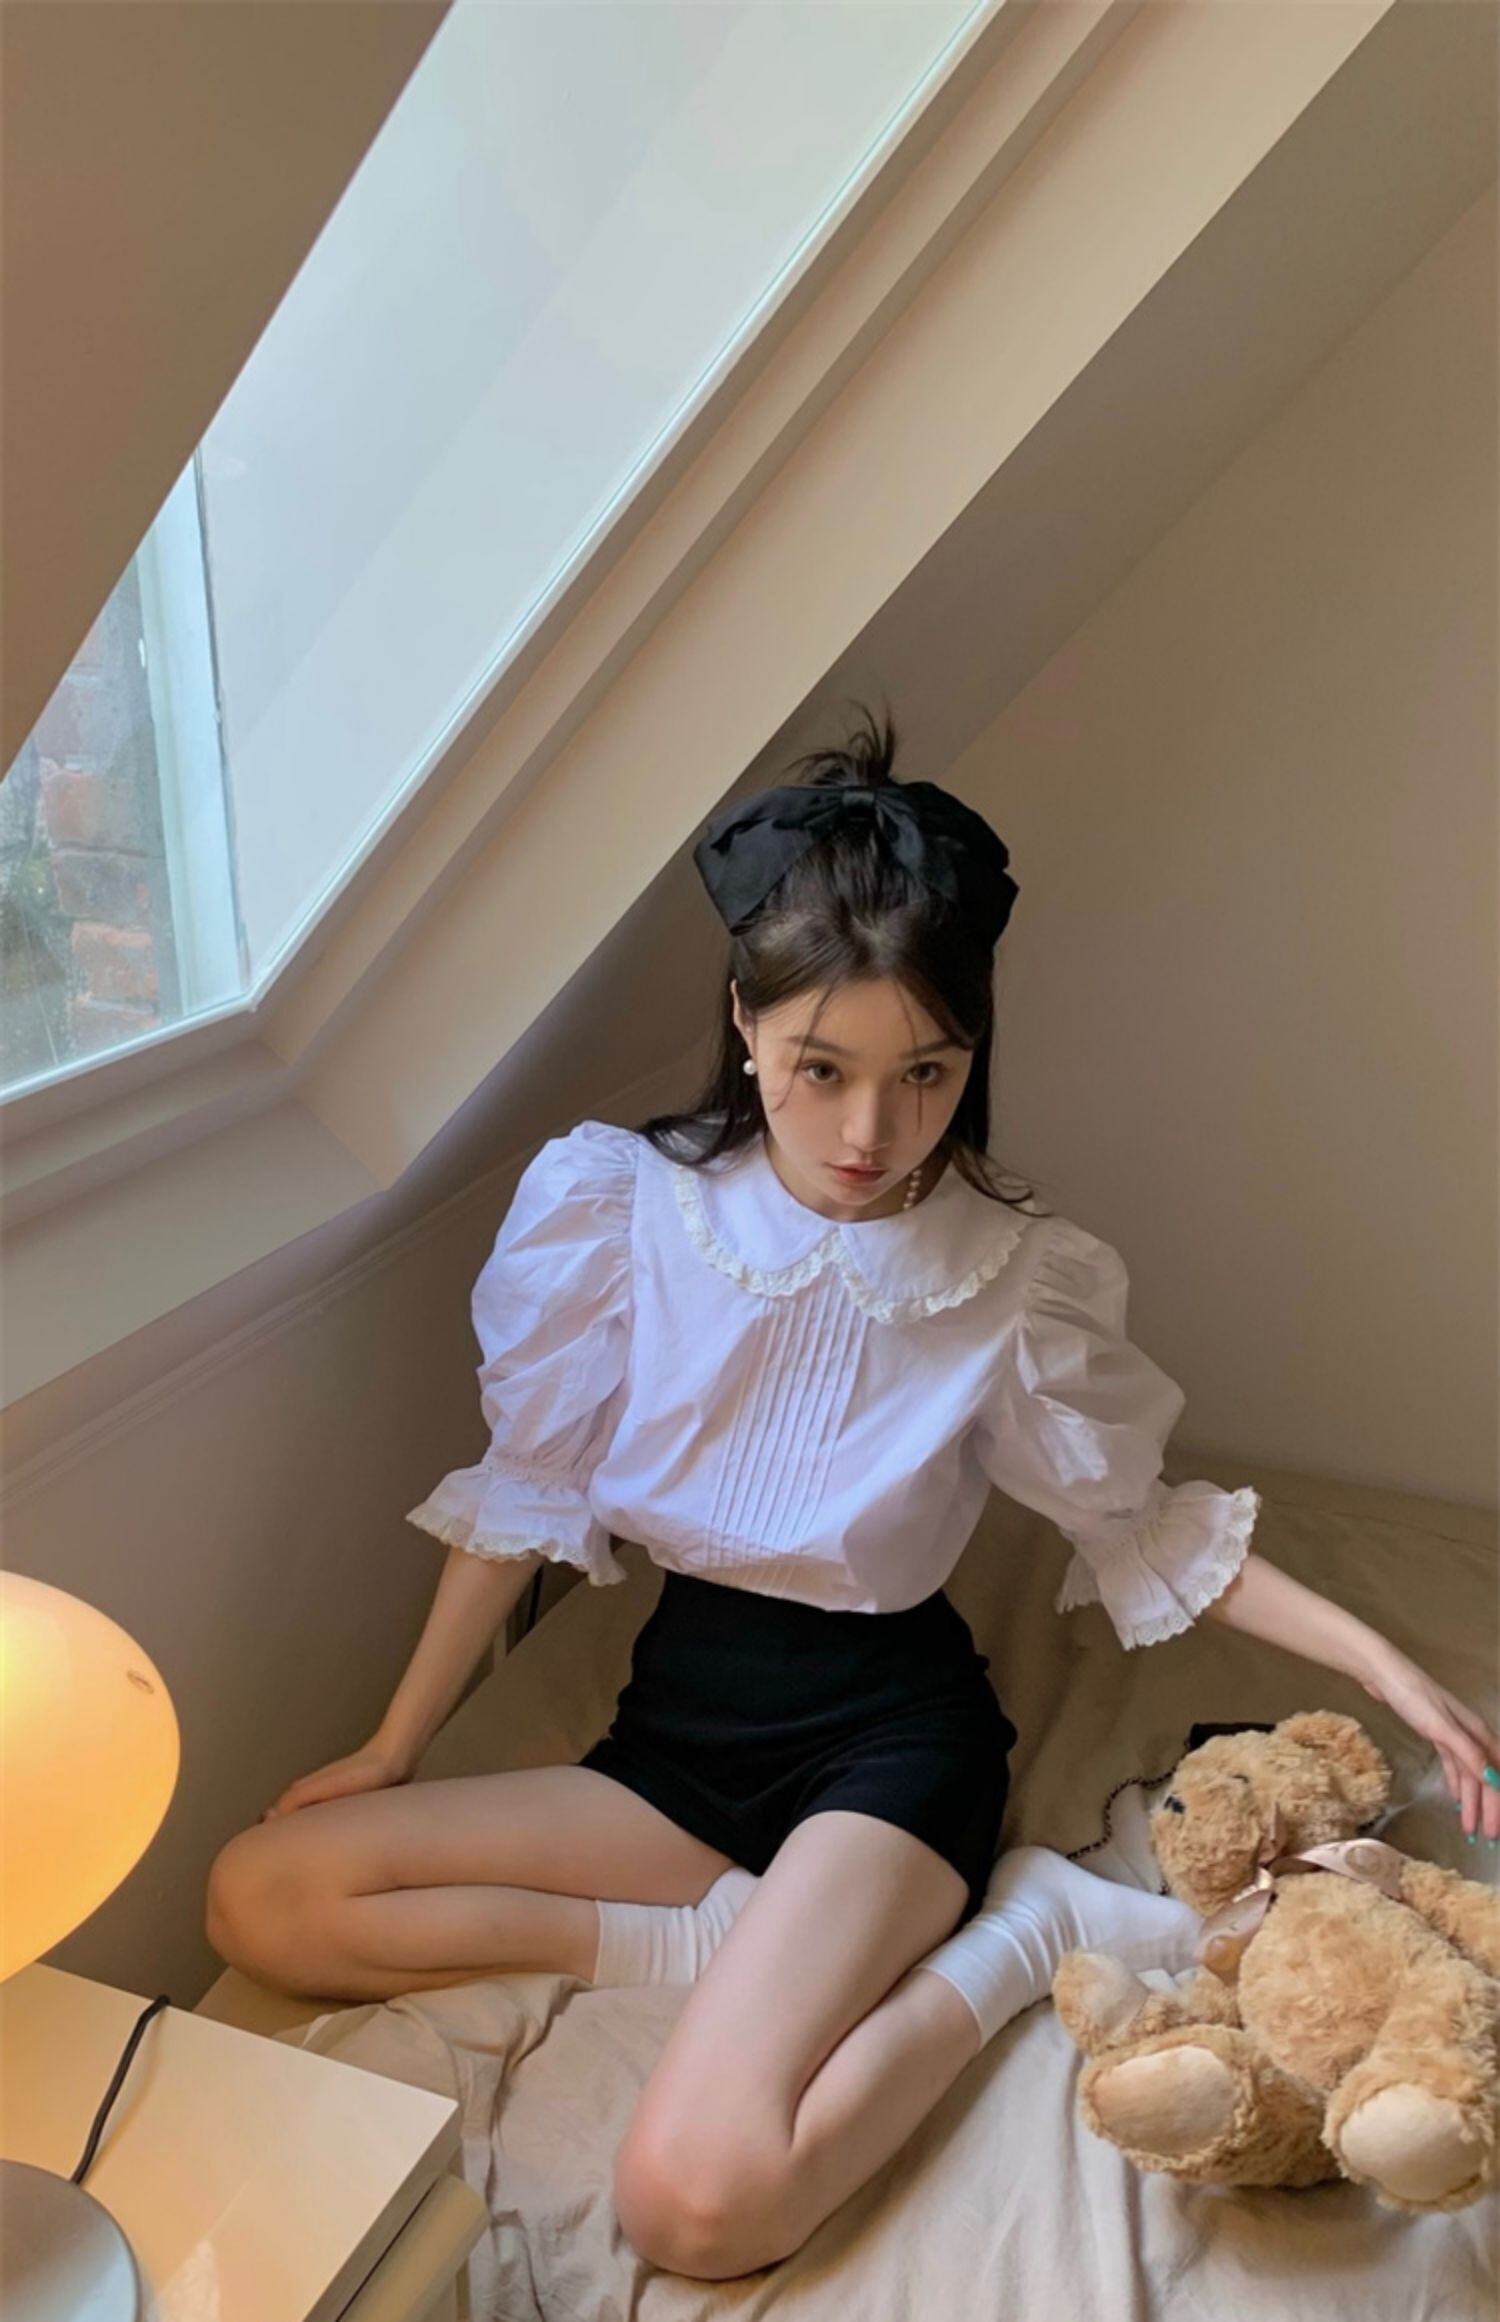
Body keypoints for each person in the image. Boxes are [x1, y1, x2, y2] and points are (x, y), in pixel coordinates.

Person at [206, 705, 1500, 2282]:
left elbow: (1150, 1531)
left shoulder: (1009, 1279)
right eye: (822, 1069)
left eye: (925, 1073)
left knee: (695, 2202)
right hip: (674, 1746)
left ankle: (1027, 1927)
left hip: (886, 1754)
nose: (872, 1132)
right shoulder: (622, 1214)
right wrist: (391, 1748)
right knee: (261, 1895)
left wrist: (1388, 1666)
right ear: (745, 1023)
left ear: (970, 1060)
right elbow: (525, 1490)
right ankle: (702, 1937)